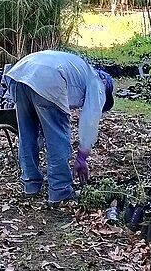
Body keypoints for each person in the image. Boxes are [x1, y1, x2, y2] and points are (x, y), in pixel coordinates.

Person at [6, 50, 115, 203]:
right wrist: (82, 157)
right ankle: (60, 190)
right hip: (48, 78)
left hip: (18, 74)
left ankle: (30, 184)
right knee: (58, 138)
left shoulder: (79, 69)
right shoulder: (97, 82)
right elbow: (90, 120)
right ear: (106, 85)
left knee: (27, 134)